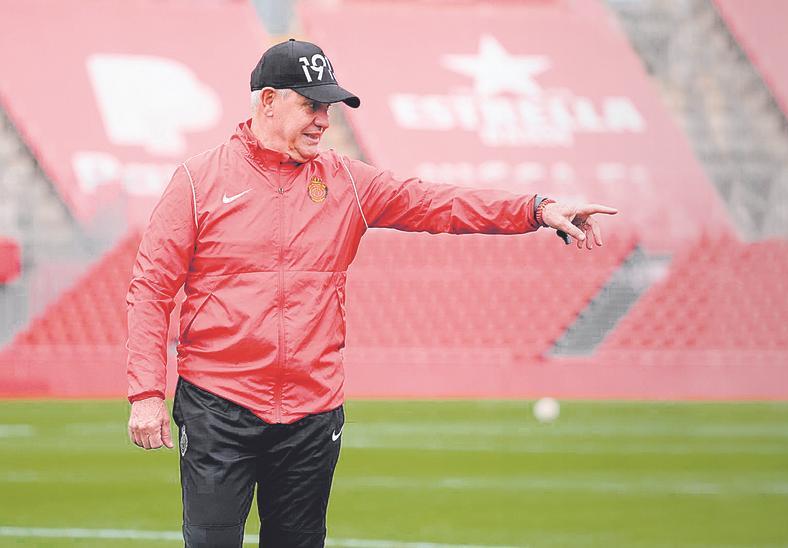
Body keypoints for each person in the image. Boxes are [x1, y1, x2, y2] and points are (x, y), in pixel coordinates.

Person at [124, 39, 617, 547]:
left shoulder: (347, 183)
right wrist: (145, 394)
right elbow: (151, 289)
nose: (323, 119)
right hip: (218, 406)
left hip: (311, 413)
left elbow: (437, 204)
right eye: (311, 105)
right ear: (268, 101)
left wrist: (535, 209)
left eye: (328, 108)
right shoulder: (196, 181)